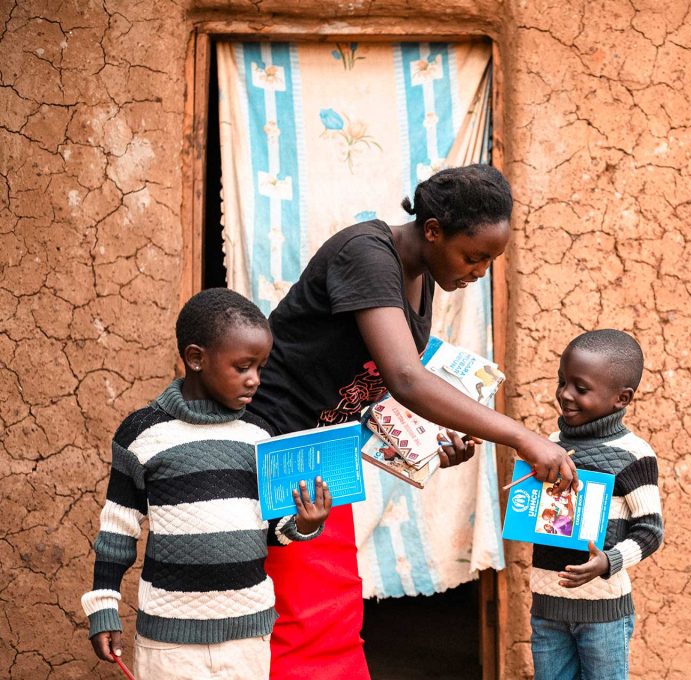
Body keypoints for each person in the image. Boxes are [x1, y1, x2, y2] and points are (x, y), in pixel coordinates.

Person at [246, 164, 577, 678]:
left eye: (491, 260)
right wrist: (521, 438)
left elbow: (377, 384)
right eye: (473, 256)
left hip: (323, 455)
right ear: (432, 230)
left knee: (333, 615)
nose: (479, 272)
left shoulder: (422, 276)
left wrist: (425, 442)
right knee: (298, 619)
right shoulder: (366, 254)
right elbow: (404, 376)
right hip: (275, 447)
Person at [81, 288, 332, 680]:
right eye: (243, 367)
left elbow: (270, 529)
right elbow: (117, 529)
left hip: (248, 635)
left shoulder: (260, 436)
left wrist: (304, 523)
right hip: (170, 643)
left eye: (261, 368)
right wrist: (103, 605)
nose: (254, 381)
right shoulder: (142, 433)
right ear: (196, 358)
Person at [530, 329, 665, 680]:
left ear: (621, 398)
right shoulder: (550, 445)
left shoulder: (634, 455)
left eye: (580, 388)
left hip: (603, 611)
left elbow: (650, 531)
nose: (565, 395)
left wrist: (609, 561)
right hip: (548, 607)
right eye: (562, 382)